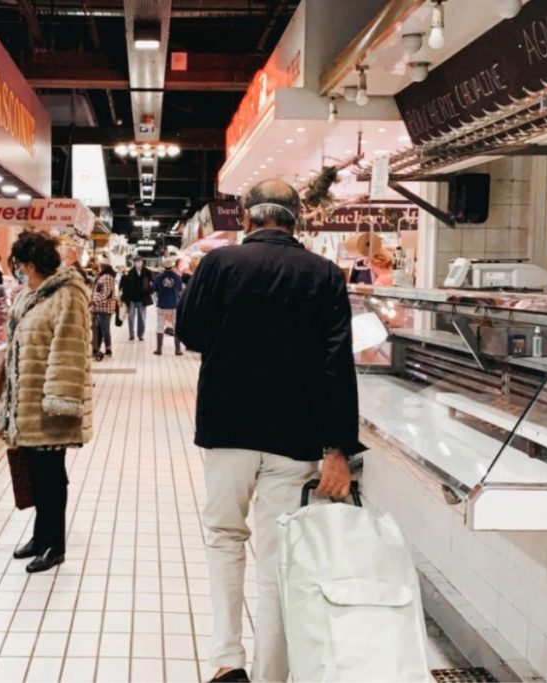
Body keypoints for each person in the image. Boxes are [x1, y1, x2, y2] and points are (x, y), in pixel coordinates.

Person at [176, 179, 363, 683]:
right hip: (295, 438)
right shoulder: (324, 274)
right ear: (296, 218)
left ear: (246, 216)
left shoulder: (218, 265)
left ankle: (227, 661)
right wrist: (339, 448)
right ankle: (272, 673)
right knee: (279, 559)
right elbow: (336, 365)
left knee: (224, 539)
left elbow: (190, 331)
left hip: (226, 427)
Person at [0, 231, 92, 573]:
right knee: (37, 475)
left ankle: (55, 545)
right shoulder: (30, 294)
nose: (17, 271)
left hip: (50, 406)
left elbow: (69, 350)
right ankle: (40, 536)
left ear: (31, 264)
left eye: (19, 265)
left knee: (52, 477)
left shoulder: (68, 295)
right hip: (27, 406)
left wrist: (59, 401)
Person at [152, 257, 184, 356]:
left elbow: (155, 290)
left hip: (162, 305)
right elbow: (179, 289)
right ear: (172, 266)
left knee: (160, 327)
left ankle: (159, 349)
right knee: (176, 327)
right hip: (173, 305)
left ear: (163, 266)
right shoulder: (177, 277)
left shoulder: (158, 277)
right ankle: (177, 350)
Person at [119, 255, 152, 341]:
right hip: (132, 299)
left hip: (142, 298)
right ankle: (131, 334)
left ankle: (140, 334)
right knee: (131, 317)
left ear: (142, 261)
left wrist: (149, 290)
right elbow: (126, 286)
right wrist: (123, 298)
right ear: (134, 262)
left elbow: (152, 283)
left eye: (139, 261)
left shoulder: (147, 272)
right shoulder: (130, 272)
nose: (138, 262)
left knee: (142, 318)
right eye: (136, 261)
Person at [89, 263, 118, 360]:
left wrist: (94, 301)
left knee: (105, 329)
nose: (98, 269)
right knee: (98, 330)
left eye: (100, 268)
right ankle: (97, 349)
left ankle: (108, 349)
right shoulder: (102, 277)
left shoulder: (107, 277)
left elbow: (107, 294)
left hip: (104, 308)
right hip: (98, 307)